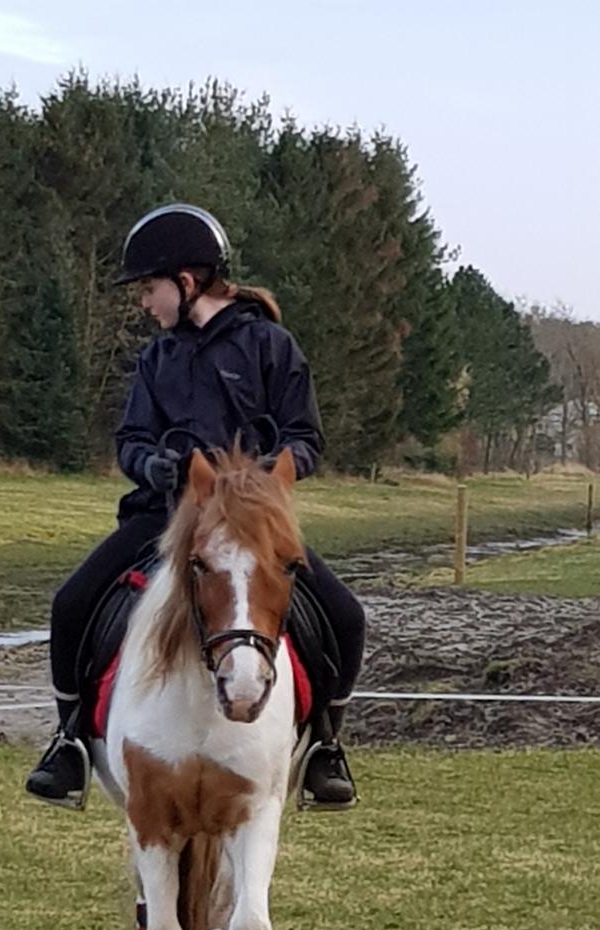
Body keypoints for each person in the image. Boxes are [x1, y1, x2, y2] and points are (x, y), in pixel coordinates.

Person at [25, 202, 365, 810]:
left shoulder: (271, 346)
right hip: (164, 518)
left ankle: (326, 748)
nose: (143, 303)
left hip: (250, 524)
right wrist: (158, 468)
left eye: (148, 288)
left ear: (187, 281)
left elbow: (306, 438)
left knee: (345, 616)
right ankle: (68, 740)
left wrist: (271, 477)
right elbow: (130, 441)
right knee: (70, 603)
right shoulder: (158, 359)